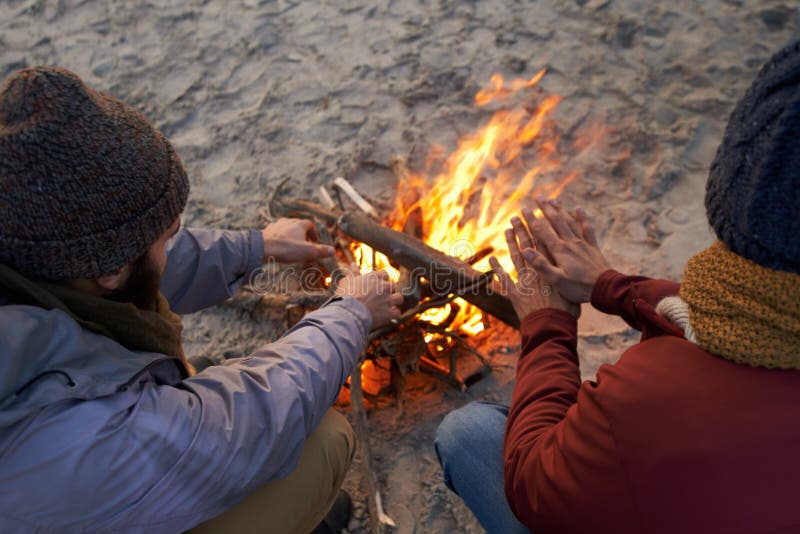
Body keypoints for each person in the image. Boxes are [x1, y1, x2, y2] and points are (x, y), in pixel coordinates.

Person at [0, 66, 402, 533]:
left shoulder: (30, 256)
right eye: (166, 236)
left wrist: (257, 246)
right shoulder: (76, 433)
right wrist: (350, 315)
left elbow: (131, 264)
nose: (172, 245)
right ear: (110, 269)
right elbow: (241, 426)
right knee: (324, 440)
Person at [435, 39, 800, 533]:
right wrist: (614, 287)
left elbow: (531, 484)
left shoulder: (649, 398)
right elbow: (734, 322)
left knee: (469, 433)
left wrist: (548, 326)